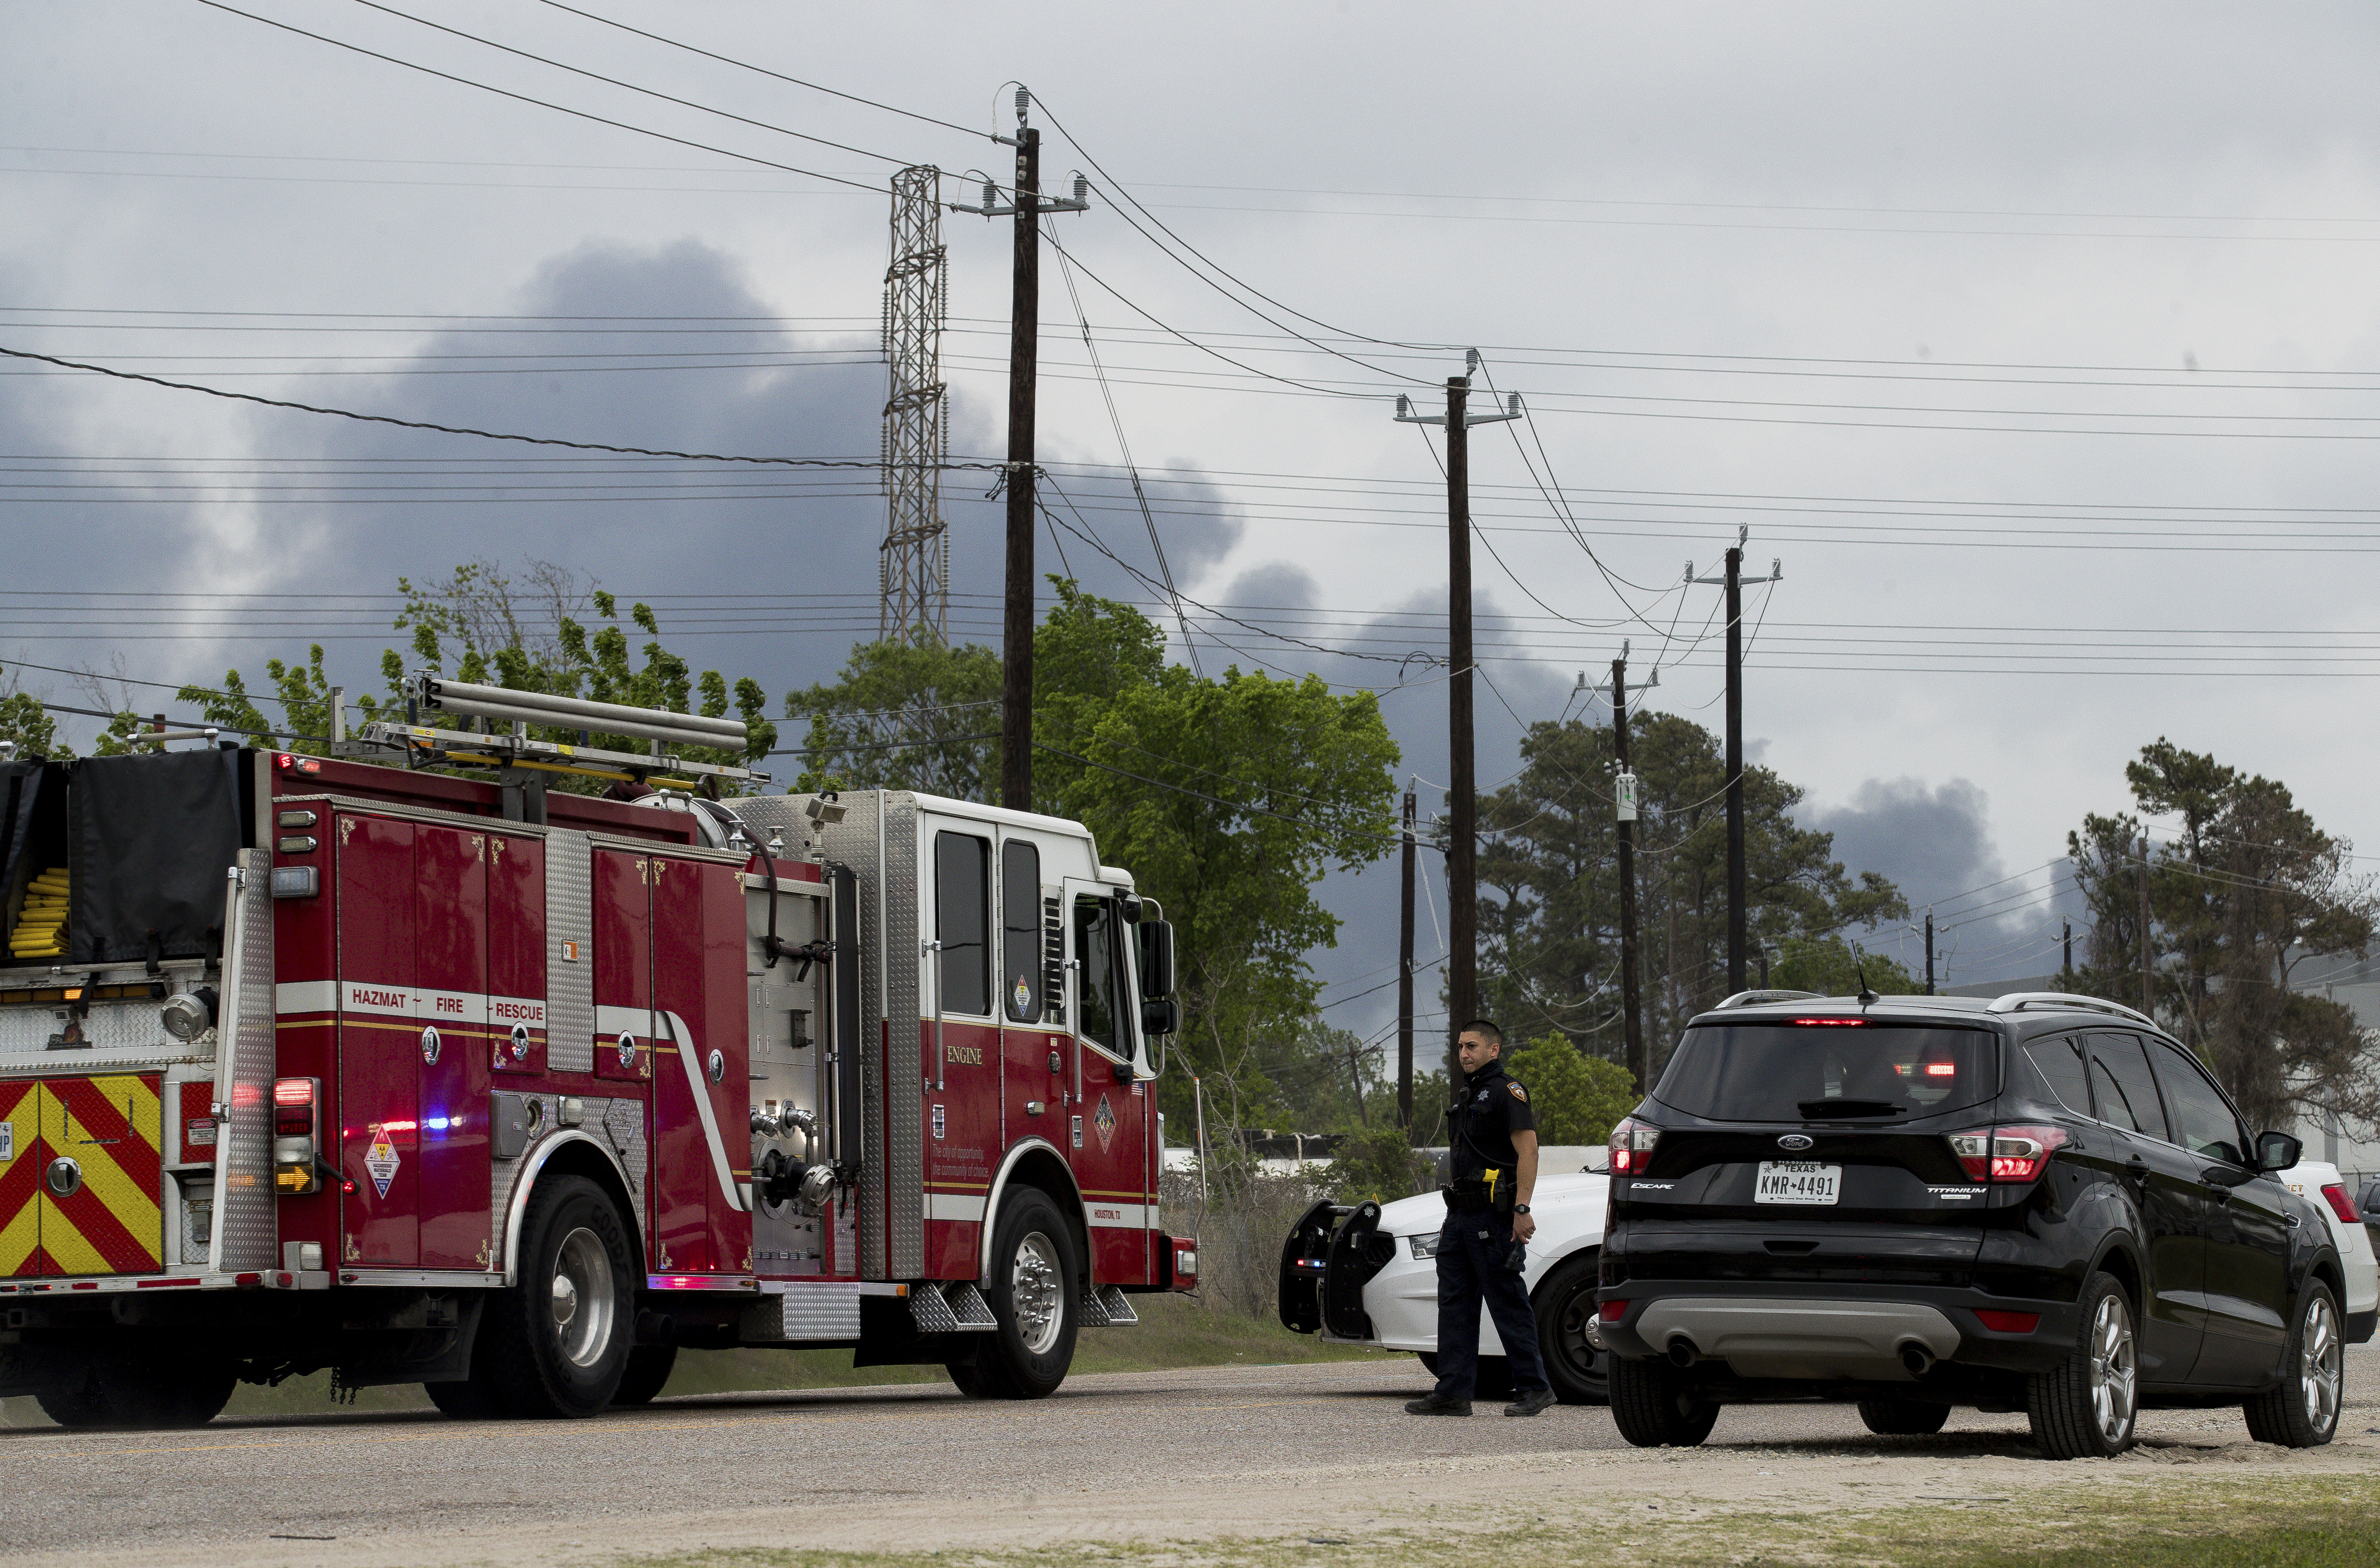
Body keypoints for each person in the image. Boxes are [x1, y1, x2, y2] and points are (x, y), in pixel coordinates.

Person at [1405, 1018, 1556, 1417]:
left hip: (1494, 1214)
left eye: (1471, 1046)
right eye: (1459, 1047)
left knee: (1506, 1301)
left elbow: (1529, 1151)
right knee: (1455, 1303)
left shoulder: (1509, 1092)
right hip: (1459, 1215)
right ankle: (1453, 1392)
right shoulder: (1468, 1093)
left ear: (1494, 1049)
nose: (1463, 1054)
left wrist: (1522, 1207)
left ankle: (1535, 1387)